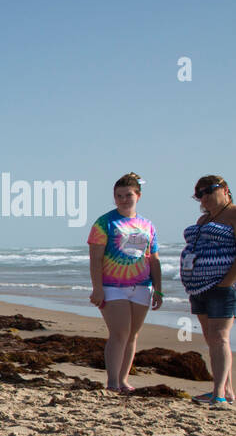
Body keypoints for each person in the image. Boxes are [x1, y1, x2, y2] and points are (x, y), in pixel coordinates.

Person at [87, 172, 163, 393]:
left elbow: (154, 259)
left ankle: (123, 380)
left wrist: (159, 289)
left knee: (132, 335)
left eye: (128, 195)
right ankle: (112, 382)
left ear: (137, 195)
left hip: (142, 286)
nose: (123, 199)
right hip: (112, 288)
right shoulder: (104, 223)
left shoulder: (147, 225)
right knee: (119, 333)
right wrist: (97, 288)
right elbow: (96, 259)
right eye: (118, 195)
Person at [180, 175, 236, 407]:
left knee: (220, 337)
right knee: (211, 339)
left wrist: (226, 281)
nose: (204, 197)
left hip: (221, 287)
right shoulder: (204, 218)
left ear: (224, 189)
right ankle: (227, 391)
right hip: (199, 287)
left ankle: (219, 394)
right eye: (199, 194)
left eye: (208, 191)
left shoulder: (233, 214)